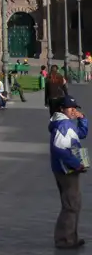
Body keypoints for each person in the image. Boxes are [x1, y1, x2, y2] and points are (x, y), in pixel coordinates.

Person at [49, 95, 89, 249]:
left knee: (72, 204)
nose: (73, 111)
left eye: (75, 108)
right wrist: (76, 164)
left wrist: (82, 119)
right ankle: (65, 240)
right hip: (67, 170)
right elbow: (59, 149)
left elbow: (81, 134)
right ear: (61, 109)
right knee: (71, 205)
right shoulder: (63, 125)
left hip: (65, 168)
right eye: (70, 108)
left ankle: (70, 237)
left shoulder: (65, 123)